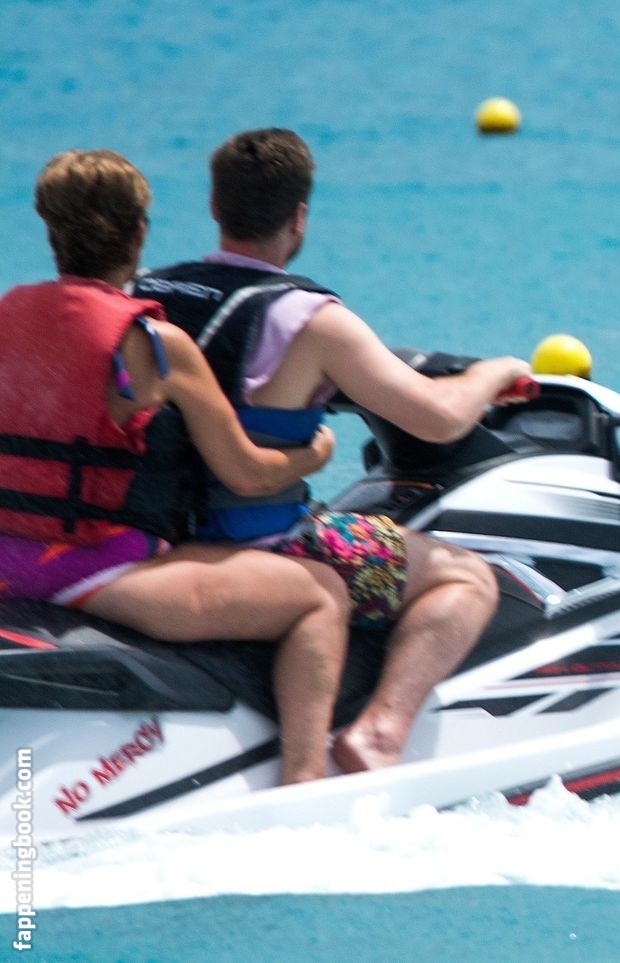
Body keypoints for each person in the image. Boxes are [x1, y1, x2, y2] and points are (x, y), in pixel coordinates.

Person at [133, 128, 532, 771]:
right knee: (465, 576)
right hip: (266, 545)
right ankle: (380, 732)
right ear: (299, 218)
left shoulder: (145, 294)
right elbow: (439, 420)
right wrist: (494, 373)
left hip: (155, 535)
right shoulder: (310, 319)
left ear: (214, 205)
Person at [0, 149, 352, 783]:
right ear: (139, 232)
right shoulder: (153, 344)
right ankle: (305, 784)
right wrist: (316, 452)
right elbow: (245, 472)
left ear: (50, 230)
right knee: (320, 595)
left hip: (6, 559)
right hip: (96, 570)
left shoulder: (8, 316)